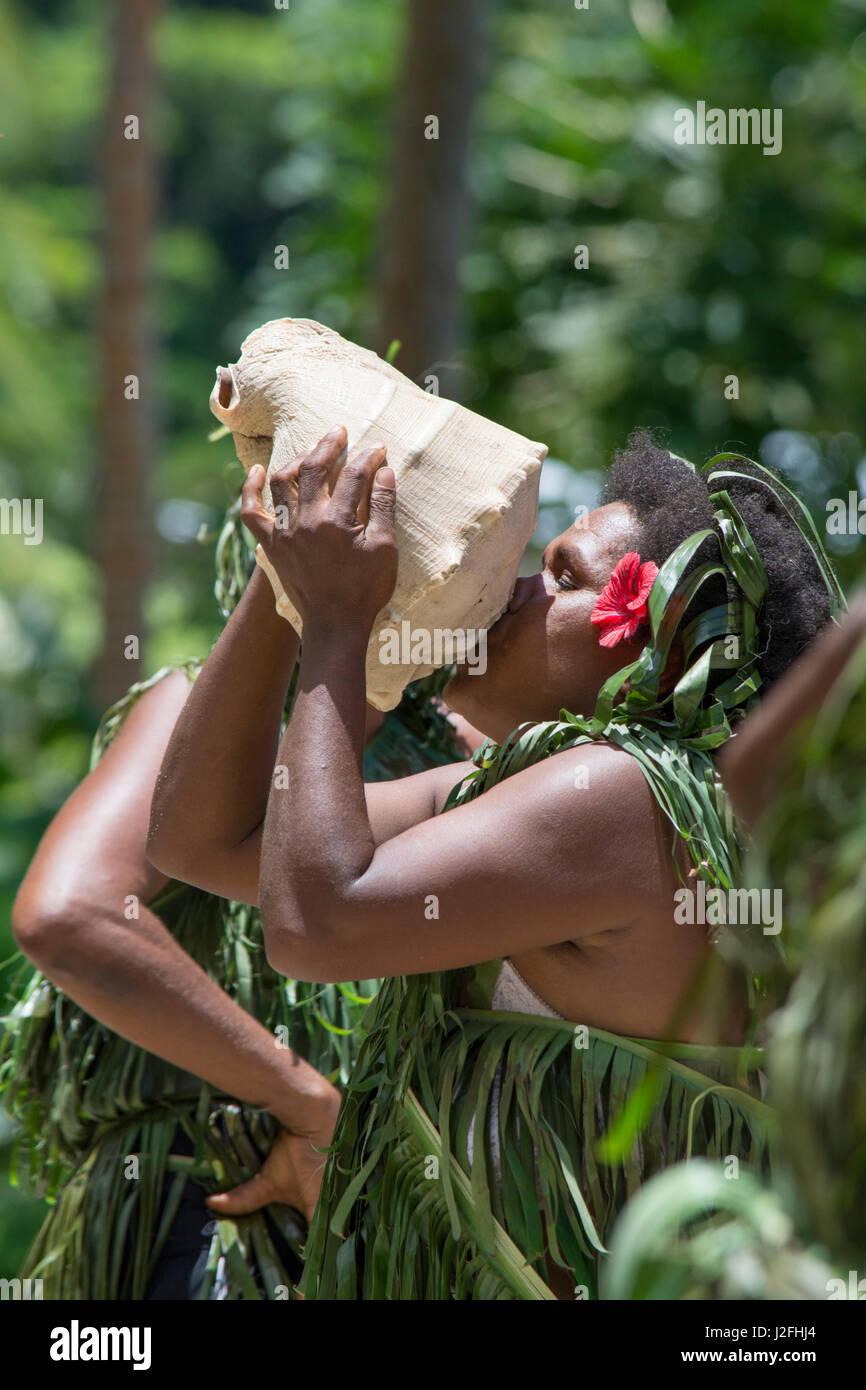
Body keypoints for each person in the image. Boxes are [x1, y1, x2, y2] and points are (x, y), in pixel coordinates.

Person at [149, 425, 845, 1299]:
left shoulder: (620, 798)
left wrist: (336, 619)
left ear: (655, 645)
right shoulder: (530, 790)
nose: (513, 593)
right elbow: (203, 843)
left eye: (562, 576)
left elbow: (313, 921)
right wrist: (287, 582)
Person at [2, 493, 477, 1300]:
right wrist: (304, 1101)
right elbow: (72, 914)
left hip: (377, 1230)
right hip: (204, 1211)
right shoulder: (202, 713)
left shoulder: (451, 747)